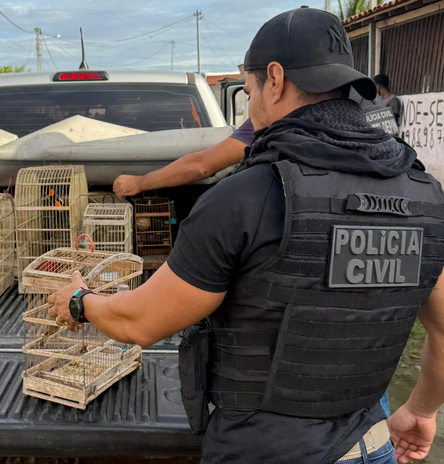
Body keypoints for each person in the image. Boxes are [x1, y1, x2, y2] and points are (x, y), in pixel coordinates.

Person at [48, 7, 444, 464]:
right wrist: (422, 409)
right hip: (371, 445)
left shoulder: (247, 196)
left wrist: (80, 302)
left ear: (274, 80)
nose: (251, 107)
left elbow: (141, 322)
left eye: (249, 91)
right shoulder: (424, 195)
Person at [112, 119, 252, 197]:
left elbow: (201, 166)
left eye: (249, 94)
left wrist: (139, 183)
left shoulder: (256, 127)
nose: (250, 101)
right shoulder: (256, 127)